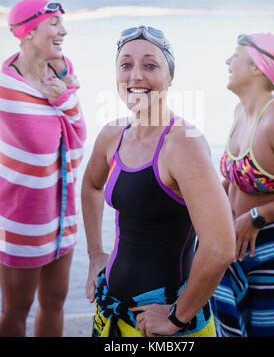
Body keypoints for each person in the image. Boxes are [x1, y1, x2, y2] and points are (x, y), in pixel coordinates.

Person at [81, 25, 235, 337]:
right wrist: (95, 253)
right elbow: (91, 186)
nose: (135, 76)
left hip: (166, 325)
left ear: (170, 77)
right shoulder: (113, 135)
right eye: (125, 65)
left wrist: (176, 317)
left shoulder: (183, 144)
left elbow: (220, 246)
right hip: (111, 312)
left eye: (150, 65)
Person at [0, 0, 86, 337]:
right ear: (28, 31)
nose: (63, 30)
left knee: (55, 302)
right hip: (21, 217)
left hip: (63, 213)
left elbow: (78, 139)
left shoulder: (62, 71)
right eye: (54, 23)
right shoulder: (5, 88)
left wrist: (63, 97)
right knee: (16, 310)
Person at [212, 33, 274, 337]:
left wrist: (256, 218)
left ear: (257, 67)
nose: (228, 61)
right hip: (237, 250)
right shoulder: (241, 112)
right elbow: (234, 179)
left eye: (235, 55)